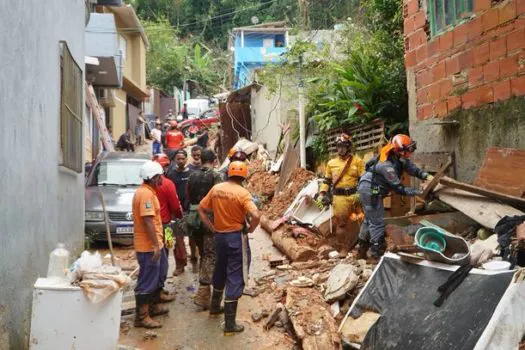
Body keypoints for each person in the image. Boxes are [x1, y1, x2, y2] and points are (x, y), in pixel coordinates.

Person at [198, 161, 260, 335]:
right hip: (235, 237)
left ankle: (215, 306)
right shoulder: (243, 193)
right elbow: (256, 215)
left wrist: (211, 226)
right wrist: (251, 229)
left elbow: (201, 209)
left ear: (228, 173)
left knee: (220, 269)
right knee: (236, 273)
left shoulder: (217, 189)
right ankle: (230, 324)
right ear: (243, 176)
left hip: (219, 236)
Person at [357, 134, 433, 259]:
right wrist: (419, 191)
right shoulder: (386, 166)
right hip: (370, 189)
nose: (410, 153)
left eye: (411, 149)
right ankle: (377, 252)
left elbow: (412, 168)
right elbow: (400, 189)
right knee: (377, 221)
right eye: (407, 150)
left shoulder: (398, 157)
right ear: (398, 151)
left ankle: (361, 249)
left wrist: (426, 176)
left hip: (371, 187)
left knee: (369, 218)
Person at [132, 161, 169, 329]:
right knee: (146, 280)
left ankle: (151, 308)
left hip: (151, 244)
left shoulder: (147, 192)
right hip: (147, 246)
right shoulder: (146, 195)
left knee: (152, 278)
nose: (162, 179)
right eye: (160, 176)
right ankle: (142, 317)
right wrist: (155, 245)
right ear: (154, 178)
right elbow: (148, 221)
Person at [187, 149, 223, 309]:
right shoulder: (216, 176)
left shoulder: (192, 175)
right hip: (208, 216)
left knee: (203, 252)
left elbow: (187, 196)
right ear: (214, 160)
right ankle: (203, 293)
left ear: (200, 160)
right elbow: (219, 198)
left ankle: (205, 291)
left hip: (193, 217)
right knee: (210, 254)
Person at [318, 133, 365, 253]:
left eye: (343, 146)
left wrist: (365, 194)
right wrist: (322, 193)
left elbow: (363, 179)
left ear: (348, 147)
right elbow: (327, 181)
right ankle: (343, 248)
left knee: (363, 221)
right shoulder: (331, 163)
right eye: (339, 146)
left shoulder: (357, 161)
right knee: (341, 224)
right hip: (339, 198)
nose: (341, 149)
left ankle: (363, 248)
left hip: (355, 196)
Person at [152, 154, 183, 303]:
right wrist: (179, 216)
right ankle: (158, 289)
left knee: (154, 255)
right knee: (165, 255)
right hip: (167, 225)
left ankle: (154, 287)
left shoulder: (144, 185)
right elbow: (176, 206)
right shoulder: (167, 184)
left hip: (151, 226)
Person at [166, 150, 195, 274]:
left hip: (190, 211)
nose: (181, 161)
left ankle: (195, 259)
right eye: (178, 159)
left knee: (193, 238)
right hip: (176, 211)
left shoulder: (193, 174)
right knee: (178, 240)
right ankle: (180, 265)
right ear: (175, 160)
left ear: (187, 159)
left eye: (183, 158)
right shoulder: (171, 175)